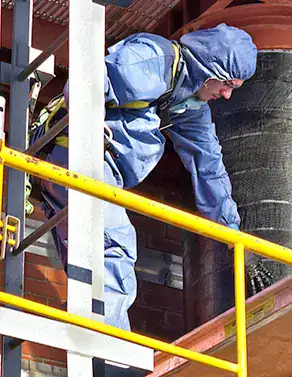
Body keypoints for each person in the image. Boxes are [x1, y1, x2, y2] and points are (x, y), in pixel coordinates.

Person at [34, 23, 257, 330]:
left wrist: (231, 231)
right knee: (117, 244)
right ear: (209, 68)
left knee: (87, 260)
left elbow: (208, 165)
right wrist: (89, 128)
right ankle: (108, 344)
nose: (227, 95)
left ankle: (90, 342)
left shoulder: (188, 106)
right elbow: (88, 78)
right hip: (79, 157)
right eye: (228, 83)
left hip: (85, 170)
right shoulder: (153, 62)